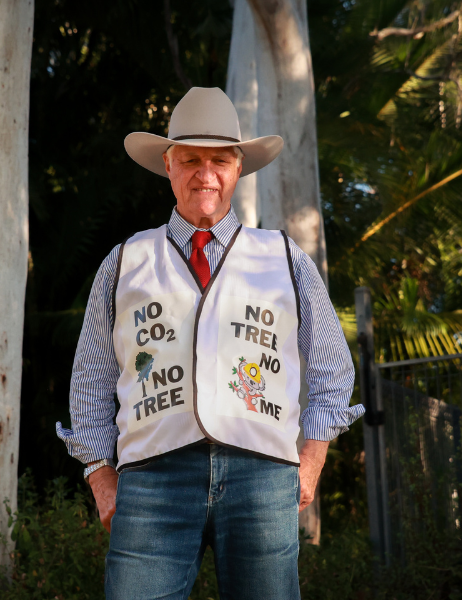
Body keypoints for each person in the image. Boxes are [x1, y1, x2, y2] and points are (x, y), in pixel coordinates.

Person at [56, 87, 364, 599]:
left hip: (262, 477)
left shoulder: (283, 257)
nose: (206, 174)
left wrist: (310, 462)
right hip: (152, 481)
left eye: (219, 160)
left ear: (238, 168)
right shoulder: (124, 261)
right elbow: (90, 378)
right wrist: (99, 474)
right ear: (168, 166)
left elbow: (333, 369)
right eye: (191, 160)